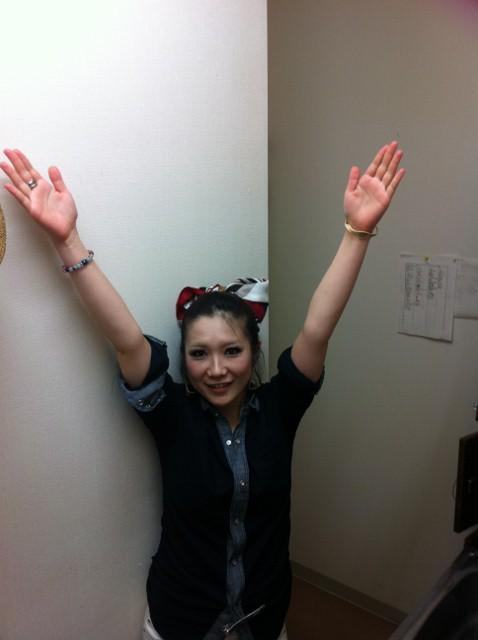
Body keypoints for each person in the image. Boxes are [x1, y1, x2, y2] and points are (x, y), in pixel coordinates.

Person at [0, 142, 405, 640]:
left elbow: (318, 329)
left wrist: (357, 233)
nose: (216, 370)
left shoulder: (280, 409)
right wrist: (68, 240)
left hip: (264, 618)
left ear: (253, 353)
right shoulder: (172, 416)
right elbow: (125, 338)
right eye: (199, 354)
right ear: (184, 358)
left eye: (232, 351)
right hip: (181, 622)